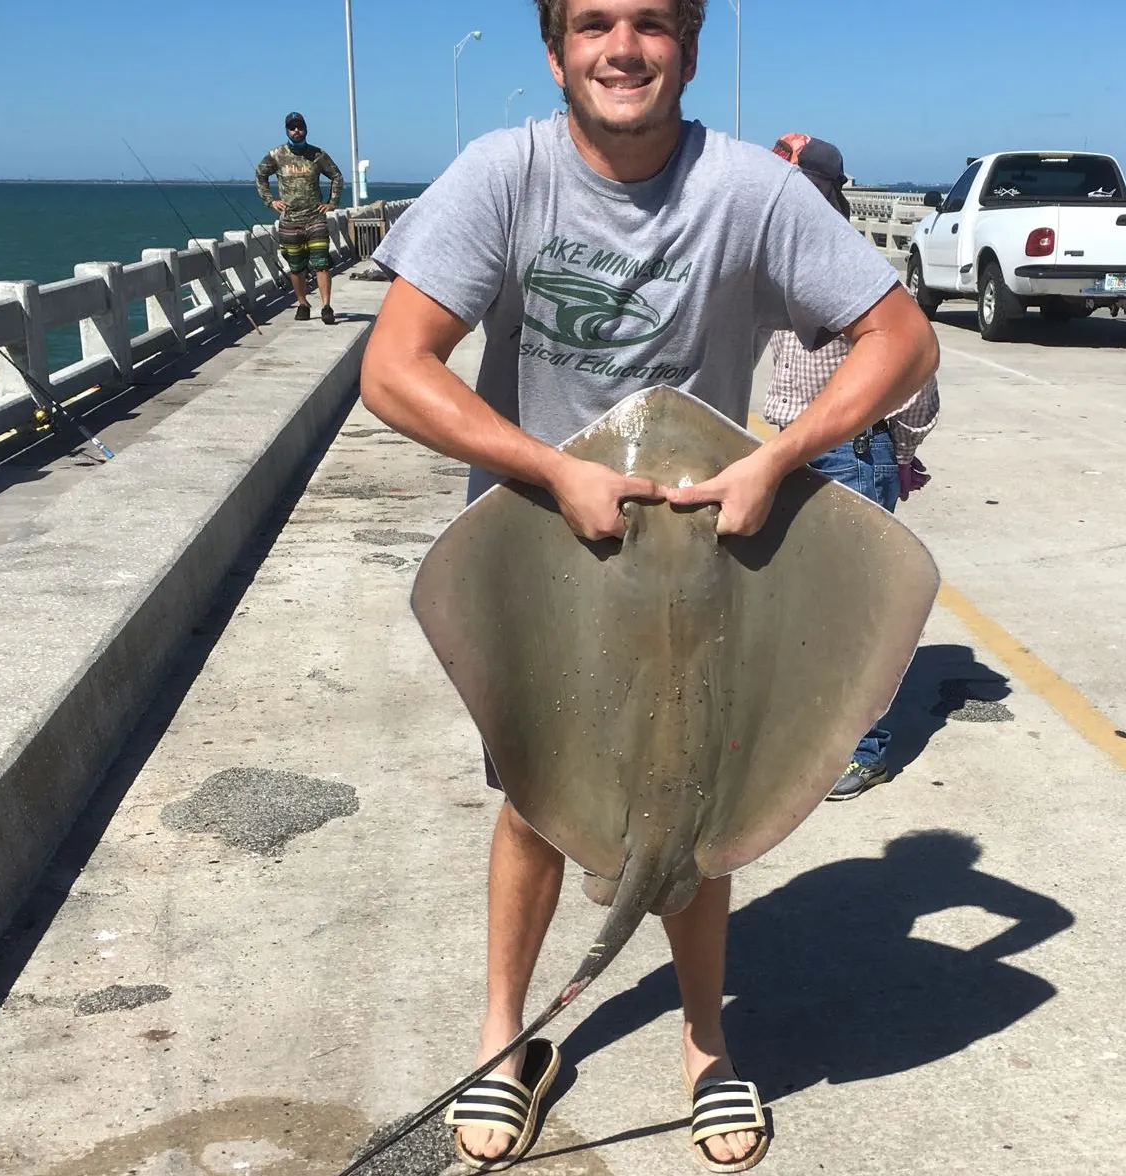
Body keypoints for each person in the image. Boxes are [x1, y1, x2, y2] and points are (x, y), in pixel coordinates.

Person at [359, 0, 939, 1169]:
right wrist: (544, 466)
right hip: (543, 540)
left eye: (652, 24)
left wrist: (778, 456)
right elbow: (391, 368)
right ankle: (504, 1039)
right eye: (592, 24)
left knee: (700, 799)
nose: (622, 49)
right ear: (556, 48)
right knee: (533, 795)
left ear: (687, 44)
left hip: (709, 547)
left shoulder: (749, 193)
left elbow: (903, 341)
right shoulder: (503, 177)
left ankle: (705, 1046)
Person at [764, 132, 940, 804]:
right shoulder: (779, 268)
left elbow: (915, 366)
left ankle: (864, 751)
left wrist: (898, 451)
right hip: (791, 452)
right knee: (804, 608)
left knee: (855, 612)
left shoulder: (857, 272)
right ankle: (814, 737)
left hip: (850, 456)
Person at [255, 112, 344, 324]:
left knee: (321, 263)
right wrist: (271, 201)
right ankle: (302, 303)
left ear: (306, 129)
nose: (297, 131)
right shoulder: (276, 154)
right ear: (286, 130)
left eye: (300, 127)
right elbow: (260, 175)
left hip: (315, 218)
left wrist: (332, 203)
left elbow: (336, 176)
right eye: (292, 127)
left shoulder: (317, 155)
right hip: (290, 219)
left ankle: (326, 306)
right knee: (296, 266)